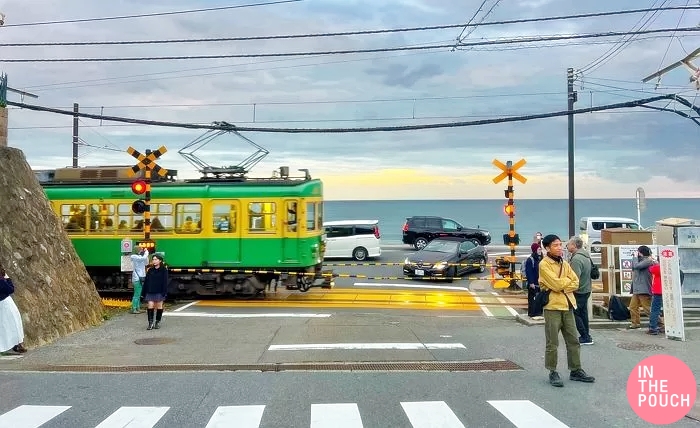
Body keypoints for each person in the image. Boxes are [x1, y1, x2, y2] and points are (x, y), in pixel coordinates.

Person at [539, 234, 595, 387]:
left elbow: (576, 282)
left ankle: (575, 369)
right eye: (555, 245)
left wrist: (563, 285)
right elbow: (556, 285)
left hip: (568, 305)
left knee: (573, 340)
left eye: (560, 244)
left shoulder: (564, 262)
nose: (559, 248)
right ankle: (552, 371)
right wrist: (565, 284)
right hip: (552, 307)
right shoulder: (544, 264)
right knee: (552, 342)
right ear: (548, 248)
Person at [567, 236, 594, 345]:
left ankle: (584, 336)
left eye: (569, 244)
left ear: (574, 245)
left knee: (576, 313)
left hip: (579, 290)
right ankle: (586, 335)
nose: (567, 246)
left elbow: (574, 278)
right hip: (586, 288)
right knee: (583, 313)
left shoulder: (576, 259)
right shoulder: (586, 256)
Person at [0, 267, 27, 353]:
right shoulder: (1, 280)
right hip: (5, 303)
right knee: (14, 323)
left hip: (4, 302)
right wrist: (8, 279)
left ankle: (17, 344)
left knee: (6, 325)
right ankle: (17, 344)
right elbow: (10, 289)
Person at [627, 245, 654, 330]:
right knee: (633, 307)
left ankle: (660, 324)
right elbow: (633, 267)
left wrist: (635, 257)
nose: (636, 253)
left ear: (641, 253)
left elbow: (637, 266)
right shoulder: (640, 260)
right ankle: (635, 323)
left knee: (647, 309)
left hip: (644, 289)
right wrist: (635, 258)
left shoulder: (648, 261)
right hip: (637, 289)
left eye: (638, 252)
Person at [142, 254, 169, 330]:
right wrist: (144, 292)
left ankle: (157, 322)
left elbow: (165, 282)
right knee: (150, 305)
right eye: (153, 259)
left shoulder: (164, 270)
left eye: (156, 259)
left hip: (159, 291)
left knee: (159, 306)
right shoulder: (150, 270)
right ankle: (150, 323)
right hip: (150, 291)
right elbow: (147, 281)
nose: (154, 261)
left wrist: (164, 292)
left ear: (160, 261)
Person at [524, 242, 544, 320]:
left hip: (540, 282)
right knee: (532, 298)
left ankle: (538, 312)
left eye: (540, 249)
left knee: (539, 298)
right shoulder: (530, 259)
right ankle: (532, 313)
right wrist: (531, 282)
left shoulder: (541, 258)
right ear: (535, 250)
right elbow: (529, 272)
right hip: (533, 283)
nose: (540, 250)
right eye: (539, 249)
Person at [129, 248, 149, 314]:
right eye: (140, 250)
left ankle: (138, 308)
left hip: (141, 277)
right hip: (137, 278)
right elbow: (142, 259)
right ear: (137, 251)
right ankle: (133, 308)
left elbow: (146, 263)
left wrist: (146, 256)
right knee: (137, 294)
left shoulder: (141, 257)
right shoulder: (133, 256)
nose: (141, 251)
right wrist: (146, 253)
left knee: (139, 294)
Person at [647, 262, 663, 335]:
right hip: (669, 292)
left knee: (655, 310)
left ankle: (653, 328)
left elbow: (650, 269)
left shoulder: (659, 267)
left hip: (658, 291)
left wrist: (655, 264)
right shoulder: (672, 266)